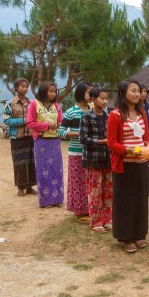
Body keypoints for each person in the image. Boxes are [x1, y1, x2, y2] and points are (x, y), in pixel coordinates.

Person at [107, 79, 149, 253]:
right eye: (133, 90)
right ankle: (125, 237)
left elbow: (146, 136)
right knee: (125, 201)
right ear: (123, 93)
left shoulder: (141, 113)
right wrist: (128, 150)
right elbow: (111, 143)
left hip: (140, 164)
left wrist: (148, 147)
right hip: (124, 165)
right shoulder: (115, 115)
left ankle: (139, 234)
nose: (137, 94)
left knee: (140, 200)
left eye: (138, 90)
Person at [57, 82, 92, 222]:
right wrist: (79, 134)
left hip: (91, 152)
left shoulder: (93, 111)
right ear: (81, 93)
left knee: (90, 181)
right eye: (89, 92)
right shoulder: (72, 112)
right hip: (76, 152)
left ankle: (91, 207)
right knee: (78, 182)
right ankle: (80, 211)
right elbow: (60, 131)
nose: (91, 95)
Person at [79, 87, 112, 233]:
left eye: (106, 98)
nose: (105, 101)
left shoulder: (109, 116)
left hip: (108, 159)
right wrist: (101, 142)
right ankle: (95, 221)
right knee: (95, 191)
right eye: (102, 98)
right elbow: (83, 138)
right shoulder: (86, 117)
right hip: (93, 160)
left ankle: (107, 219)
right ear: (93, 99)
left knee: (108, 191)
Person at [26, 81, 64, 208]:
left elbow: (61, 121)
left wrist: (60, 126)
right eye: (50, 91)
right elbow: (30, 123)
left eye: (54, 91)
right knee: (44, 170)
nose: (53, 94)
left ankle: (57, 199)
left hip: (55, 141)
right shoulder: (33, 104)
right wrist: (47, 126)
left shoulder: (57, 106)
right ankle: (46, 200)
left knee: (57, 170)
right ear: (43, 91)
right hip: (41, 141)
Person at [3, 77, 37, 197]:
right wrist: (23, 121)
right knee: (19, 163)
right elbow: (6, 120)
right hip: (17, 138)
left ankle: (29, 186)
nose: (25, 88)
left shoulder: (31, 103)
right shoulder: (10, 103)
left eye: (26, 86)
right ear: (16, 88)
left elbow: (35, 116)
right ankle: (20, 187)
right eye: (22, 86)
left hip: (30, 136)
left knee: (31, 161)